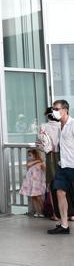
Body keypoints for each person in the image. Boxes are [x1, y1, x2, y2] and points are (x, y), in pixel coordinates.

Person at [38, 106, 74, 221]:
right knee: (68, 186)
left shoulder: (43, 126)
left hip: (51, 156)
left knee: (53, 185)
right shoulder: (63, 125)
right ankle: (71, 214)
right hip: (65, 156)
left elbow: (39, 144)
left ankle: (55, 214)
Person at [47, 100, 74, 234]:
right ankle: (64, 225)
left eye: (56, 109)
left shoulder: (73, 124)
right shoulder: (58, 126)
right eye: (53, 109)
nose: (54, 111)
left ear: (65, 110)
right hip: (62, 166)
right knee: (59, 192)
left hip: (73, 165)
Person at [20, 148, 46, 217]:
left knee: (38, 197)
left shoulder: (40, 164)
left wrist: (39, 161)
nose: (29, 157)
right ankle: (37, 211)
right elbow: (28, 165)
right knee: (33, 197)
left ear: (35, 155)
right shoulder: (32, 164)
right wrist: (37, 160)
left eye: (30, 155)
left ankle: (43, 211)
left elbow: (45, 169)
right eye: (28, 155)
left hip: (37, 184)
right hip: (32, 184)